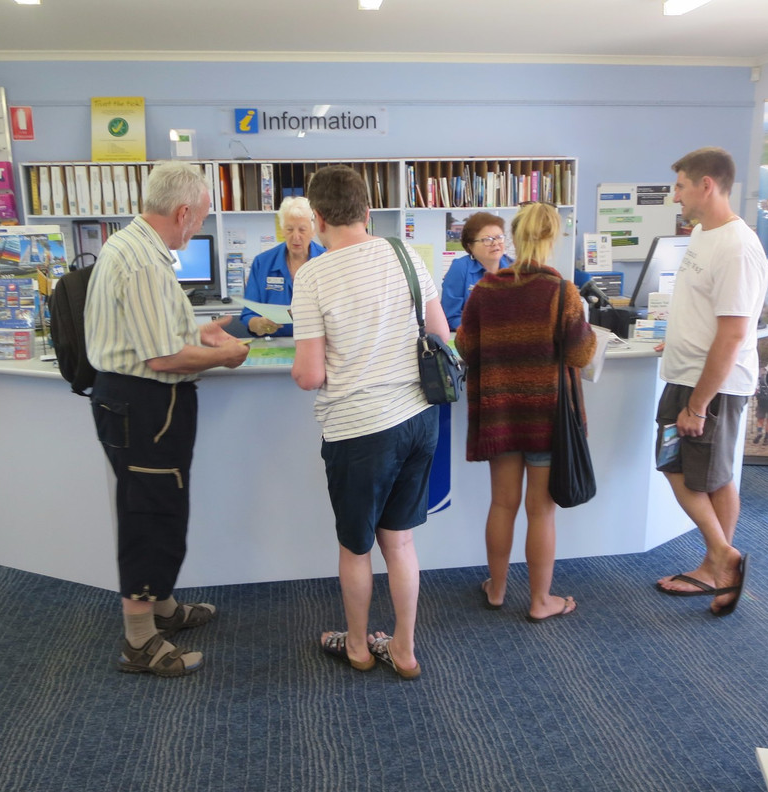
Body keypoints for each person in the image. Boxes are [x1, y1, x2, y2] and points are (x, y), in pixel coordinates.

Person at [85, 161, 250, 677]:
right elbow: (161, 359)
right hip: (145, 404)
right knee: (150, 517)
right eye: (199, 218)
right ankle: (140, 641)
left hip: (138, 404)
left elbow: (155, 335)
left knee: (159, 507)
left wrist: (199, 334)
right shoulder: (145, 263)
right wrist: (227, 354)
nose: (198, 227)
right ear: (181, 212)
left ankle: (162, 607)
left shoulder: (133, 247)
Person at [291, 164, 449, 679]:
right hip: (419, 419)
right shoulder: (406, 255)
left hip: (359, 430)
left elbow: (310, 375)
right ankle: (403, 648)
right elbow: (440, 334)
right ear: (367, 209)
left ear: (316, 218)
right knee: (400, 542)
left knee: (356, 547)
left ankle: (358, 647)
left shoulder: (312, 274)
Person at [455, 202, 596, 622]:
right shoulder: (561, 291)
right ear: (552, 239)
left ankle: (496, 590)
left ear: (514, 237)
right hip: (547, 419)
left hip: (500, 414)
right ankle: (539, 601)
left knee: (502, 504)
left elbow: (464, 347)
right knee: (541, 510)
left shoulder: (486, 290)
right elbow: (581, 353)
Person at [653, 147, 768, 617]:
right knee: (684, 466)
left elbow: (735, 332)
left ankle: (722, 559)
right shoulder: (702, 232)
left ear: (707, 185)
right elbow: (706, 314)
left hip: (711, 387)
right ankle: (715, 560)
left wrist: (698, 405)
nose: (674, 195)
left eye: (680, 186)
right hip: (686, 372)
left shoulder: (738, 247)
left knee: (700, 473)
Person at [239, 195, 326, 337]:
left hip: (317, 344)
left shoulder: (327, 262)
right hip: (274, 347)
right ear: (282, 230)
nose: (295, 236)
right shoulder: (262, 263)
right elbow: (248, 315)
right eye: (289, 229)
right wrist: (258, 324)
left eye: (302, 230)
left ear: (313, 231)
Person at [440, 212, 514, 330]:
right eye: (487, 239)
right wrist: (485, 330)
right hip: (472, 338)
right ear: (470, 246)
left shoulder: (514, 268)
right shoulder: (460, 268)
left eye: (499, 237)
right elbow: (450, 317)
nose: (495, 243)